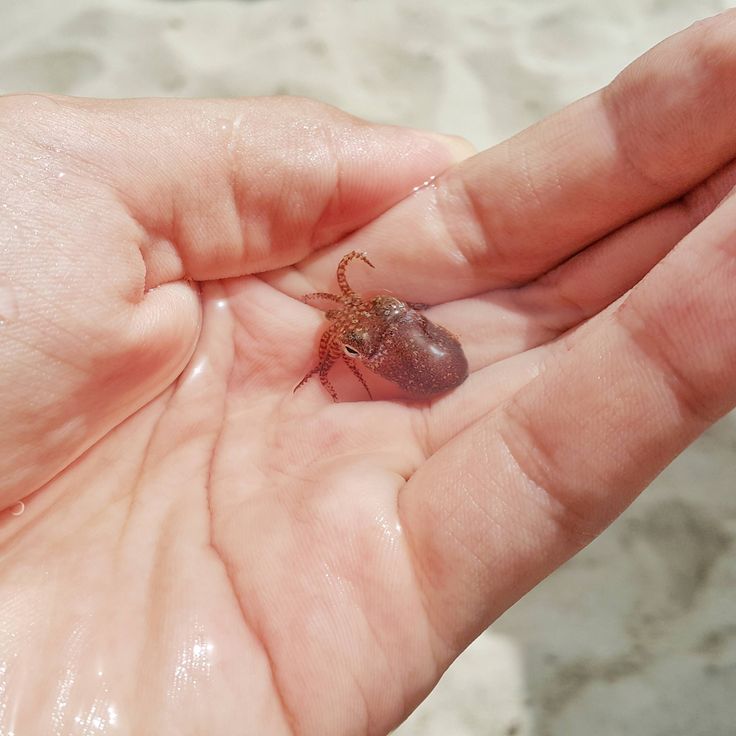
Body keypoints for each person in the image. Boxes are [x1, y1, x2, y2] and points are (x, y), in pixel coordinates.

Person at [1, 10, 735, 735]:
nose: (348, 324)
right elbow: (351, 318)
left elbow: (357, 306)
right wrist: (350, 352)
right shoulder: (354, 322)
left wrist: (358, 343)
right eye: (350, 339)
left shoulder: (363, 315)